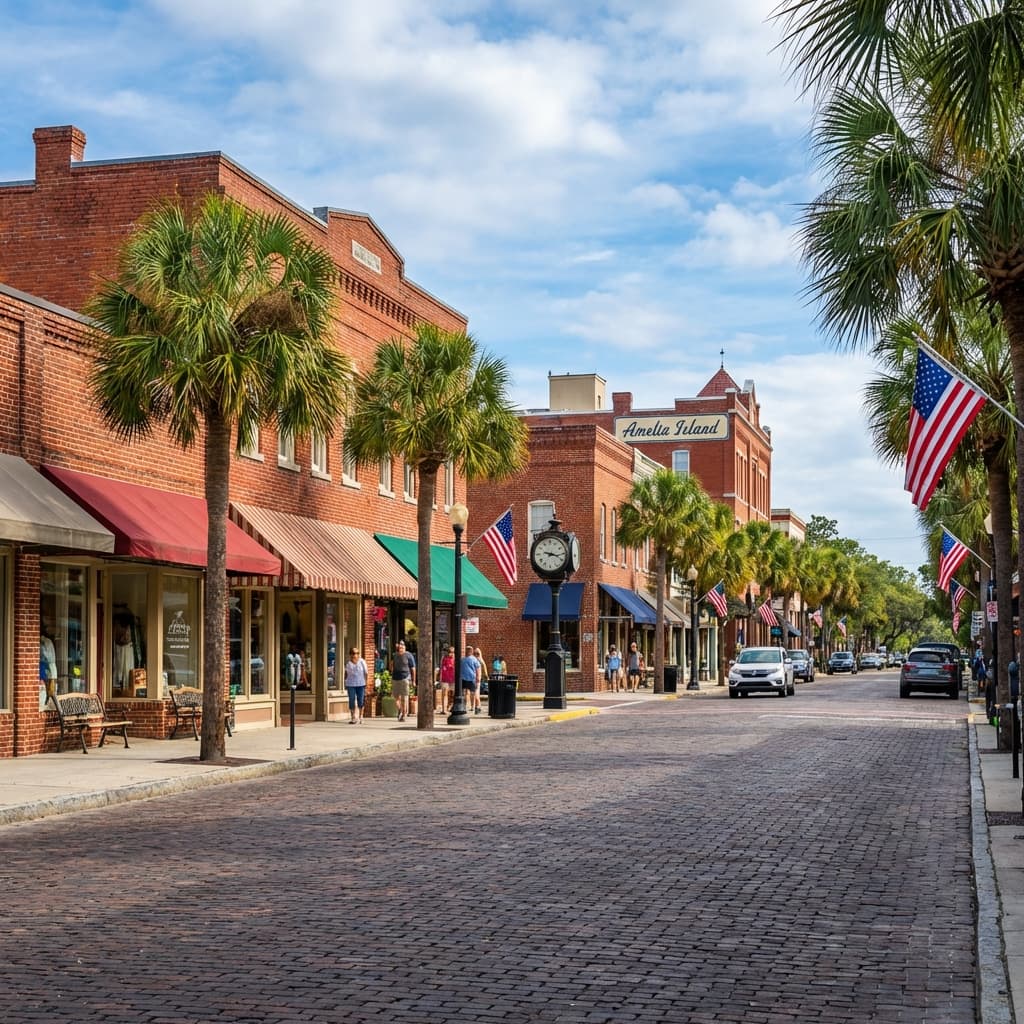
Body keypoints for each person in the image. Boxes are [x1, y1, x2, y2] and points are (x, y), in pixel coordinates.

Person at [390, 640, 415, 722]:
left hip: (405, 677)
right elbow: (391, 664)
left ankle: (404, 714)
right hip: (395, 677)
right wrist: (391, 671)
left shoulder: (409, 656)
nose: (401, 648)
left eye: (402, 647)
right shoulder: (395, 655)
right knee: (396, 697)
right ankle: (401, 710)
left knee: (404, 697)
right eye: (399, 647)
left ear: (405, 647)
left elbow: (413, 668)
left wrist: (413, 680)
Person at [343, 647, 368, 724]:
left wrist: (366, 683)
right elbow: (346, 674)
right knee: (351, 700)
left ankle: (361, 716)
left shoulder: (362, 662)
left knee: (361, 700)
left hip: (361, 684)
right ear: (350, 654)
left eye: (357, 653)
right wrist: (345, 682)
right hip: (351, 684)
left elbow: (366, 673)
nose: (356, 655)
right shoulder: (348, 664)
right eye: (354, 653)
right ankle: (353, 717)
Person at [460, 648, 482, 714]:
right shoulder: (462, 659)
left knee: (474, 694)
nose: (467, 652)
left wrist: (478, 677)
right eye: (466, 651)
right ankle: (465, 707)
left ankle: (476, 707)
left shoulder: (474, 659)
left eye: (468, 651)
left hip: (472, 679)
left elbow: (478, 669)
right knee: (465, 694)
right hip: (464, 678)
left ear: (471, 652)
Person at [437, 645, 455, 714]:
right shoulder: (444, 659)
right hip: (445, 679)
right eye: (450, 652)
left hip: (453, 679)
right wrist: (440, 678)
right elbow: (441, 669)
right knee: (444, 694)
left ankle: (450, 707)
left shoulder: (455, 659)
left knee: (452, 694)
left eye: (453, 652)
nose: (451, 653)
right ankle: (444, 709)